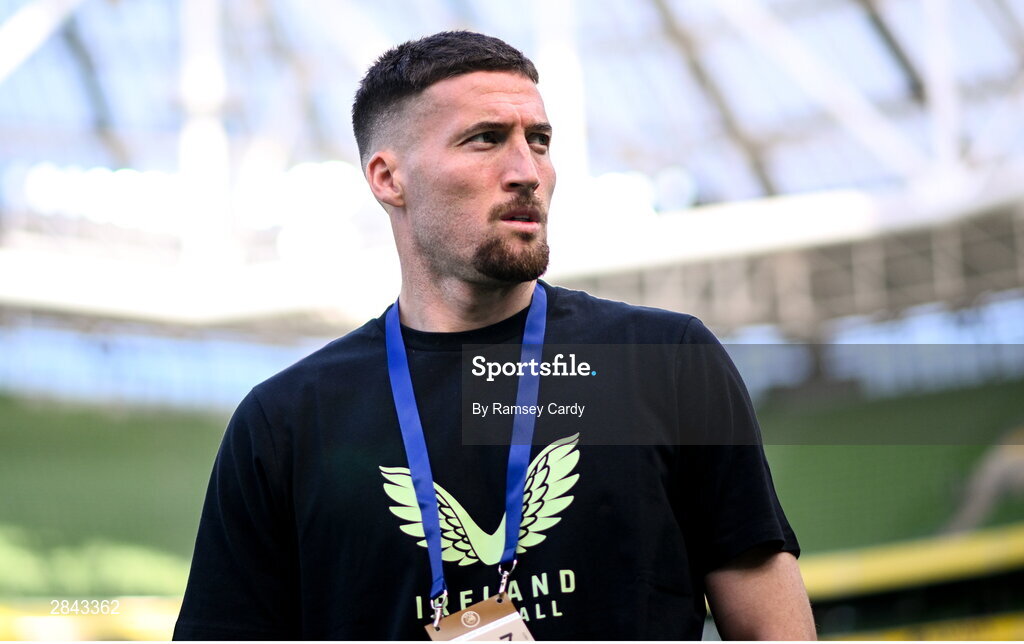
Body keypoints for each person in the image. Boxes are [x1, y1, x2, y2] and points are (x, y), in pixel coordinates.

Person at [173, 31, 815, 640]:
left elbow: (772, 626)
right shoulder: (284, 422)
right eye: (485, 139)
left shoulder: (666, 362)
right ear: (387, 178)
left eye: (538, 140)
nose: (527, 172)